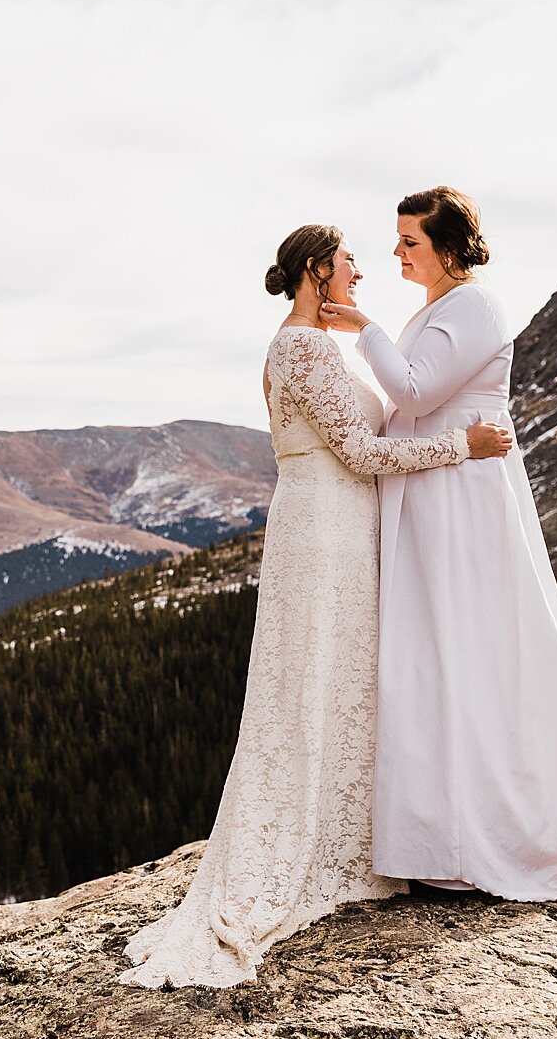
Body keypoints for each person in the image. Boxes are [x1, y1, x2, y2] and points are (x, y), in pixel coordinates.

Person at [119, 224, 512, 988]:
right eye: (349, 262)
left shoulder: (306, 344)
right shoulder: (301, 348)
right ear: (314, 271)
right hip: (325, 531)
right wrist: (463, 446)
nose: (362, 272)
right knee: (315, 687)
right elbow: (362, 455)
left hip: (330, 524)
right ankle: (307, 854)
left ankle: (353, 842)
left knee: (339, 686)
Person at [320, 187, 557, 904]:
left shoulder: (474, 306)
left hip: (459, 503)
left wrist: (365, 327)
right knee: (427, 657)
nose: (396, 253)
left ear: (448, 247)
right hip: (433, 495)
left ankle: (480, 837)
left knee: (460, 649)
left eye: (409, 241)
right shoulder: (439, 309)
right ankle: (435, 836)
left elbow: (415, 393)